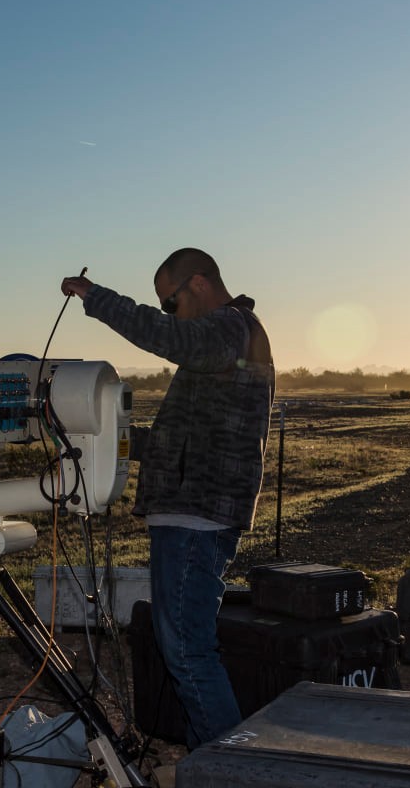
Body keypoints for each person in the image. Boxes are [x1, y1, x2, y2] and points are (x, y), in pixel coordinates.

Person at [61, 249, 274, 747]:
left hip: (197, 518)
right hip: (191, 513)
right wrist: (108, 438)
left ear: (198, 283)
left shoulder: (228, 328)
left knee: (187, 651)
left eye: (169, 303)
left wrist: (97, 299)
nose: (166, 315)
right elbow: (185, 444)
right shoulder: (224, 342)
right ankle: (220, 769)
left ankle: (230, 776)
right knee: (185, 647)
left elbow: (168, 338)